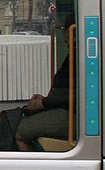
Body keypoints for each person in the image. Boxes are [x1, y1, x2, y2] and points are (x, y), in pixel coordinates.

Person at [14, 17, 75, 150]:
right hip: (69, 110)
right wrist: (46, 100)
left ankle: (29, 169)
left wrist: (44, 103)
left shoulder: (78, 57)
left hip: (73, 116)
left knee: (20, 131)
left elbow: (72, 94)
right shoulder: (75, 55)